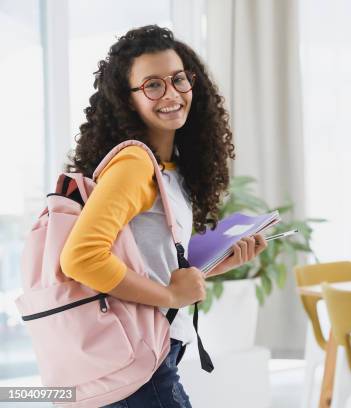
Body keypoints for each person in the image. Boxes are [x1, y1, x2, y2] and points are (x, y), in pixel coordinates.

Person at [60, 25, 267, 407]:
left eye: (178, 80)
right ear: (128, 99)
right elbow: (81, 258)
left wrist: (209, 268)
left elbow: (141, 262)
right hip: (140, 368)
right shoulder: (135, 164)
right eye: (153, 85)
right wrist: (172, 294)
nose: (171, 94)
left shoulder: (164, 166)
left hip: (147, 358)